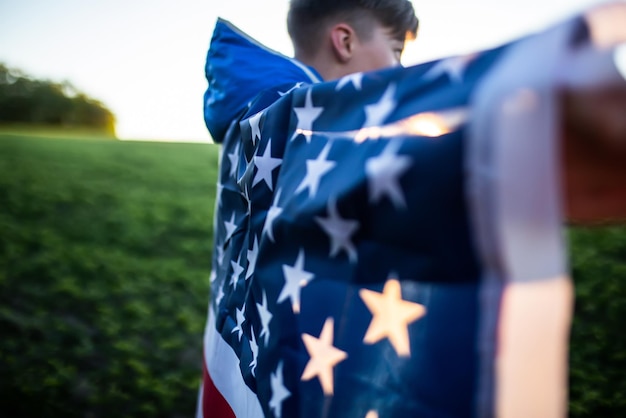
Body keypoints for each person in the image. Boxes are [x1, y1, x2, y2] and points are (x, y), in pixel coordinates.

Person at [199, 1, 626, 417]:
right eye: (397, 52)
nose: (400, 72)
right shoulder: (299, 127)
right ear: (344, 41)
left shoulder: (256, 123)